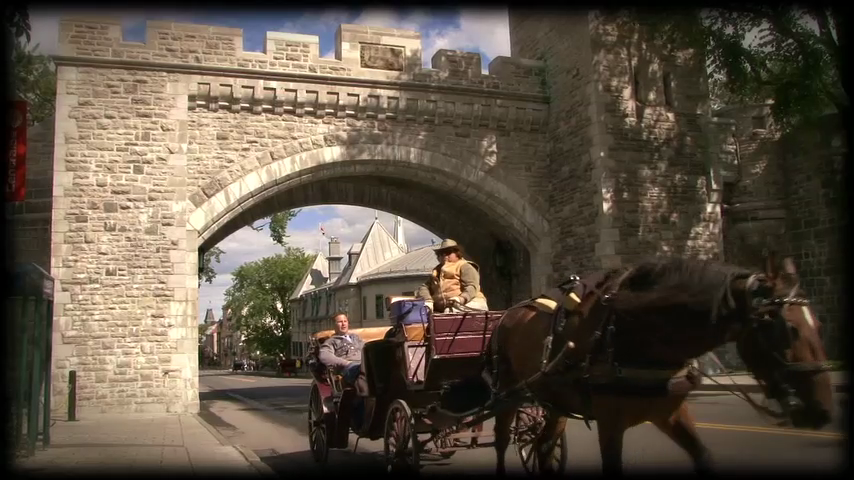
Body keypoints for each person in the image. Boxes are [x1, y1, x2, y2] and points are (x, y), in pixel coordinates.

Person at [417, 239, 489, 313]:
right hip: (448, 307)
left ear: (457, 253)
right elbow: (423, 287)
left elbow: (472, 286)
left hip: (472, 302)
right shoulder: (436, 271)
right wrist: (428, 300)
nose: (444, 255)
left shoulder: (465, 266)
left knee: (449, 311)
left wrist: (461, 298)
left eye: (448, 252)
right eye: (441, 253)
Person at [318, 312, 363, 386]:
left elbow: (366, 348)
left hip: (363, 364)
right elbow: (325, 356)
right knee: (361, 371)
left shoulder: (356, 338)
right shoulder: (331, 341)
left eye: (345, 321)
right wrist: (346, 363)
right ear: (334, 325)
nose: (343, 324)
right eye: (340, 322)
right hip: (348, 368)